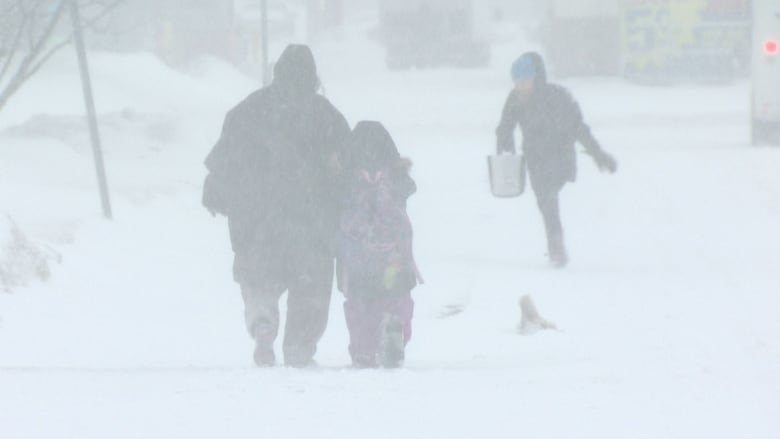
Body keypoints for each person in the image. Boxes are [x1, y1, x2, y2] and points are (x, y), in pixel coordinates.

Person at [202, 44, 350, 367]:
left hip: (258, 223)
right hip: (310, 225)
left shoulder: (247, 112)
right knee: (310, 290)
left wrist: (216, 194)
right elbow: (346, 168)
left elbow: (222, 166)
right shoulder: (326, 117)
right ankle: (299, 346)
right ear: (313, 77)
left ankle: (263, 321)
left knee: (259, 280)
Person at [496, 51, 617, 267]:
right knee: (546, 202)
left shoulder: (558, 97)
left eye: (524, 81)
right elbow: (505, 125)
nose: (520, 86)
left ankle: (556, 247)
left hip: (560, 157)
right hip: (535, 158)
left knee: (548, 198)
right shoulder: (515, 98)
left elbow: (579, 128)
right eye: (516, 82)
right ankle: (556, 247)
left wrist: (599, 154)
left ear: (535, 78)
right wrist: (505, 146)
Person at [336, 121, 421, 368]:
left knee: (360, 306)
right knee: (397, 296)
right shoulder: (395, 179)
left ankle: (363, 349)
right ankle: (396, 327)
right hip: (394, 258)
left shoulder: (346, 180)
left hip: (357, 261)